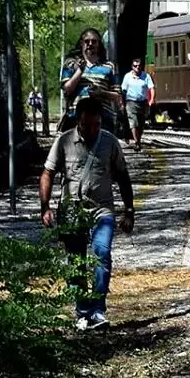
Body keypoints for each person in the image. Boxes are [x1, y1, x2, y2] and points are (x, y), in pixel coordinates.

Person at [39, 89, 135, 330]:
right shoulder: (63, 142)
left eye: (96, 125)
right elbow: (48, 173)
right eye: (86, 125)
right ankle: (83, 311)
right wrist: (45, 206)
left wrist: (129, 210)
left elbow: (123, 176)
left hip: (102, 210)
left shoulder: (110, 143)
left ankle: (98, 310)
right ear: (78, 121)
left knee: (102, 253)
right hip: (72, 210)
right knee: (76, 261)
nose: (91, 130)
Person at [60, 30, 119, 133]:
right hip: (75, 118)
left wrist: (101, 93)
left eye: (94, 41)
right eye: (87, 41)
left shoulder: (109, 66)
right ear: (82, 43)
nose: (90, 44)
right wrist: (79, 71)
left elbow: (117, 95)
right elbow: (67, 89)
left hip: (103, 118)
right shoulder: (71, 64)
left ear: (99, 44)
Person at [120, 57, 154, 147]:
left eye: (139, 66)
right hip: (131, 102)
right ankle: (136, 142)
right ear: (132, 67)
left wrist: (151, 100)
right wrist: (122, 102)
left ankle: (138, 139)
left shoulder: (146, 76)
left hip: (143, 103)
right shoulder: (127, 76)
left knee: (141, 124)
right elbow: (123, 90)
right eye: (135, 66)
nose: (137, 68)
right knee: (133, 122)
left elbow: (151, 88)